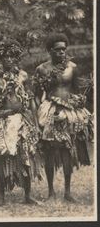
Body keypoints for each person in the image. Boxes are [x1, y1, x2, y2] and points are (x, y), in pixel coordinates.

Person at [33, 33, 93, 202]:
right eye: (57, 49)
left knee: (68, 149)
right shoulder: (42, 69)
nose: (61, 52)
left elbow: (77, 90)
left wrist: (80, 100)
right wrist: (39, 113)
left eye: (63, 49)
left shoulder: (72, 67)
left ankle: (67, 192)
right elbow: (36, 95)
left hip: (68, 112)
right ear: (49, 50)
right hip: (50, 111)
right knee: (50, 151)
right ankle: (51, 192)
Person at [0, 40, 43, 206]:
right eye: (5, 56)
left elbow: (31, 100)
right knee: (0, 156)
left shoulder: (23, 76)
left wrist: (35, 123)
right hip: (0, 120)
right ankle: (1, 196)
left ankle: (27, 195)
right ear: (0, 58)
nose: (9, 59)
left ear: (17, 58)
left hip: (21, 119)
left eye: (12, 56)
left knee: (25, 155)